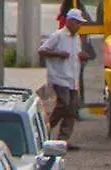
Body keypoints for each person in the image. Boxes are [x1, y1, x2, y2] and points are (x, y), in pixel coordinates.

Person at [38, 8, 91, 148]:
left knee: (72, 109)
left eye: (80, 24)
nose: (79, 26)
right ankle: (44, 128)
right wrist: (58, 54)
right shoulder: (58, 35)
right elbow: (42, 50)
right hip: (59, 77)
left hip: (72, 79)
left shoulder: (77, 38)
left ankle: (63, 140)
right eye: (77, 23)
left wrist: (82, 56)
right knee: (64, 104)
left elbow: (76, 55)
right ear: (70, 21)